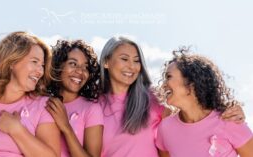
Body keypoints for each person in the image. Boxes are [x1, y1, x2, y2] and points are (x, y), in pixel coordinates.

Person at [98, 36, 246, 157]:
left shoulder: (152, 98)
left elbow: (193, 112)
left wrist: (231, 109)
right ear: (106, 62)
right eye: (124, 59)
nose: (132, 66)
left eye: (137, 61)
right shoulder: (94, 106)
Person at [156, 48, 253, 157]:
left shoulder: (229, 120)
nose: (163, 85)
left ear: (191, 83)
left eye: (169, 77)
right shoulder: (165, 128)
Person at [46, 39, 103, 157]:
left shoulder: (91, 109)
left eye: (85, 67)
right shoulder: (43, 102)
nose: (80, 71)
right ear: (58, 66)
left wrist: (66, 128)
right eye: (73, 63)